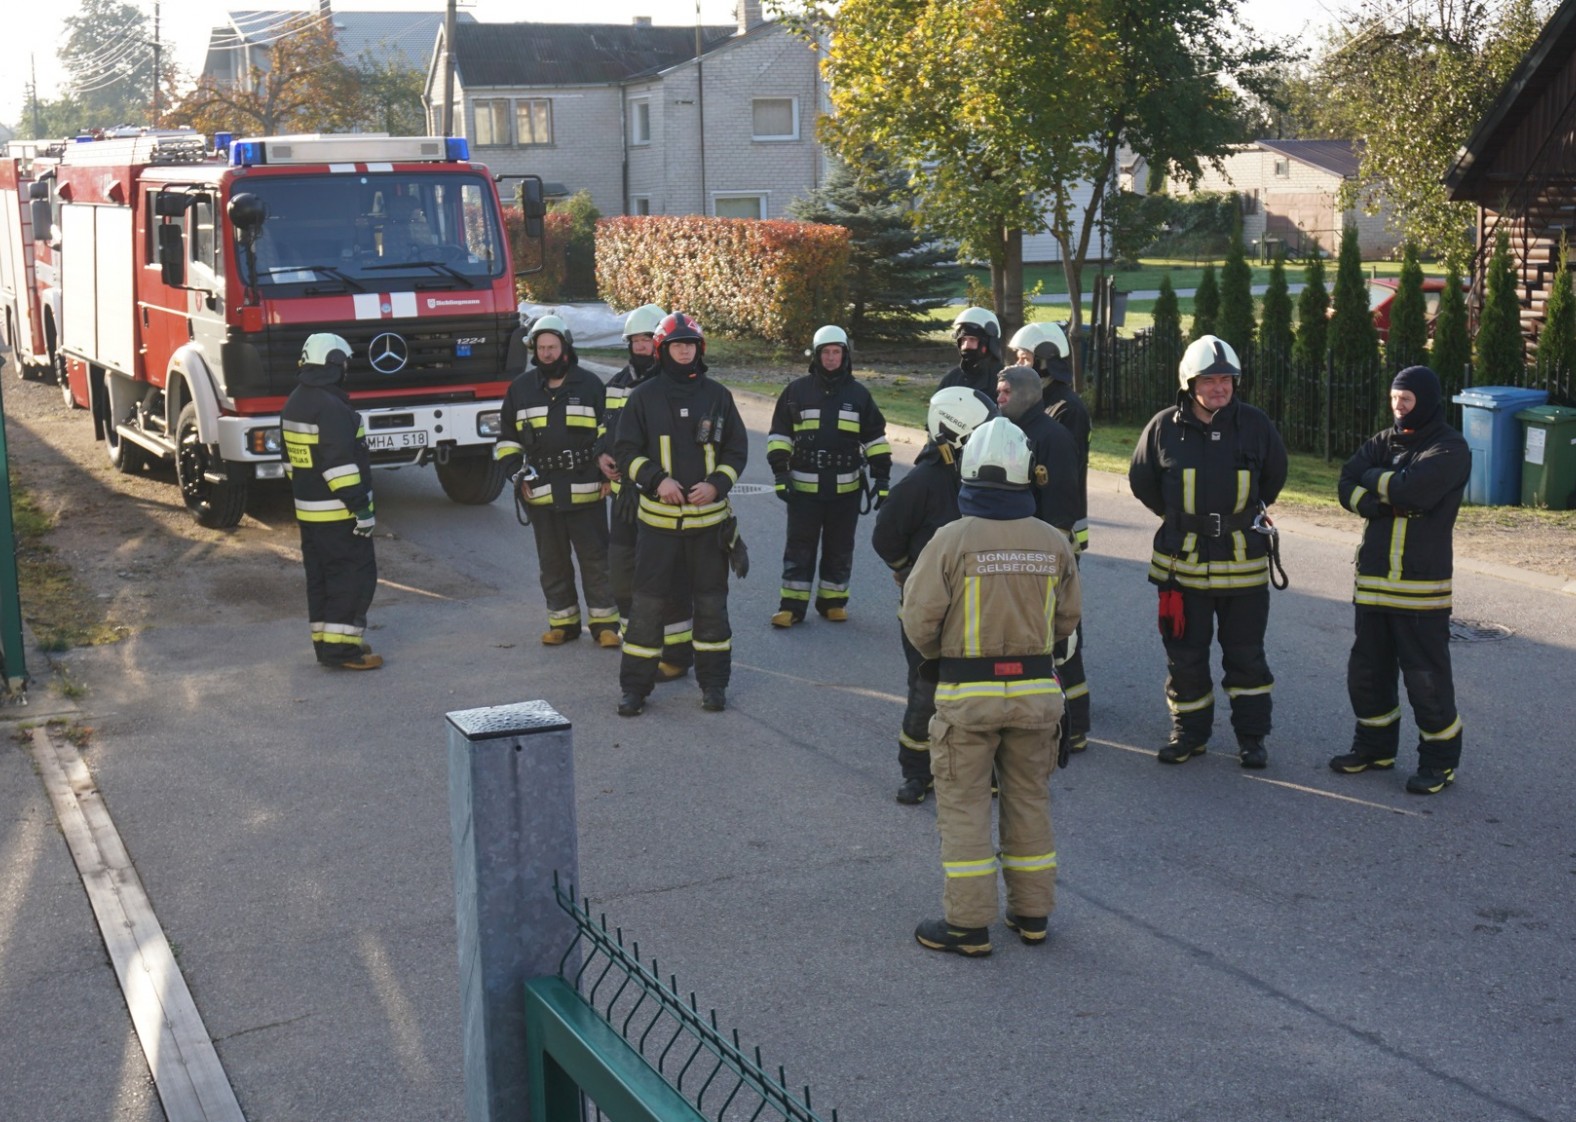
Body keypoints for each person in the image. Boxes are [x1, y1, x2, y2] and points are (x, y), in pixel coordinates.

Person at [902, 417, 1081, 956]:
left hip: (965, 701)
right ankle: (1032, 915)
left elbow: (918, 618)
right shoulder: (1053, 541)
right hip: (1036, 699)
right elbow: (1068, 620)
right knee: (1029, 801)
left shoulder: (951, 540)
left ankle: (968, 926)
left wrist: (945, 658)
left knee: (965, 809)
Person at [1128, 335, 1288, 769]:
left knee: (1246, 657)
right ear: (1189, 383)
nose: (1220, 387)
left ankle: (1252, 739)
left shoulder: (1255, 425)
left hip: (1244, 567)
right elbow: (1142, 481)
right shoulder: (1163, 426)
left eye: (1227, 379)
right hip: (1182, 566)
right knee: (1185, 656)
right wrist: (1183, 518)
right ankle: (1190, 734)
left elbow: (1274, 476)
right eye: (1210, 380)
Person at [1333, 365, 1470, 795]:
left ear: (1426, 401)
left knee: (1425, 681)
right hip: (1372, 582)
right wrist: (1377, 503)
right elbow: (1345, 483)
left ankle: (1439, 763)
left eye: (1406, 399)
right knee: (1367, 673)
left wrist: (1376, 482)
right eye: (1394, 398)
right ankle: (1374, 749)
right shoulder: (1383, 440)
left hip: (1420, 589)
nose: (1398, 407)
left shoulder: (1450, 447)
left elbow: (1413, 491)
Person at [614, 312, 748, 716]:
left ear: (699, 349)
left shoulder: (718, 395)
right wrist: (658, 481)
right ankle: (635, 689)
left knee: (711, 607)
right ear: (663, 349)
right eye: (677, 344)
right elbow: (625, 451)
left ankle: (714, 685)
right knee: (648, 609)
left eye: (691, 344)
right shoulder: (643, 397)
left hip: (708, 529)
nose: (685, 350)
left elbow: (736, 451)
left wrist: (717, 485)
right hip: (657, 529)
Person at [874, 387, 998, 805]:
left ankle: (984, 771)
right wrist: (908, 573)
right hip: (928, 615)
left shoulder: (986, 477)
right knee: (927, 692)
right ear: (956, 432)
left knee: (985, 691)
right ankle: (916, 773)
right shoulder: (922, 482)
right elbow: (885, 537)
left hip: (979, 608)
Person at [494, 314, 619, 647]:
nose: (547, 353)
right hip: (541, 491)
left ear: (566, 347)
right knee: (552, 561)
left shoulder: (591, 386)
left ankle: (605, 624)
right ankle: (562, 622)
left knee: (596, 558)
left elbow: (607, 435)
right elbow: (506, 440)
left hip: (585, 488)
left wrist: (608, 474)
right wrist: (514, 473)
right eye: (541, 348)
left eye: (552, 347)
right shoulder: (520, 390)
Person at [765, 325, 892, 626]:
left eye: (837, 352)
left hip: (845, 491)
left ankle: (832, 601)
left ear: (845, 355)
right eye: (826, 352)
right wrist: (781, 473)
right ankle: (791, 607)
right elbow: (779, 435)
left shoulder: (859, 395)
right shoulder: (796, 391)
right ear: (817, 355)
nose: (832, 358)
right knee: (799, 547)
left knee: (840, 547)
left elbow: (875, 439)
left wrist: (883, 479)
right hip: (803, 489)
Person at [995, 362, 1091, 753]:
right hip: (1015, 554)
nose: (998, 398)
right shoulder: (1008, 432)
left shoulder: (1052, 437)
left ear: (1025, 394)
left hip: (1044, 555)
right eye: (998, 391)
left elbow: (1062, 505)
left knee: (1061, 642)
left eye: (1004, 392)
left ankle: (1076, 726)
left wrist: (1051, 558)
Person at [600, 303, 694, 680]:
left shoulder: (675, 387)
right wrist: (600, 457)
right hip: (624, 497)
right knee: (622, 574)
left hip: (660, 497)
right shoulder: (615, 385)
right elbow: (603, 430)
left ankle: (674, 654)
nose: (640, 346)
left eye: (647, 339)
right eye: (635, 340)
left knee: (668, 578)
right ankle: (636, 642)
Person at [281, 333, 382, 670]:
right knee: (351, 578)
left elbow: (289, 462)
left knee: (321, 579)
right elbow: (339, 467)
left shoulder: (295, 401)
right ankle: (344, 652)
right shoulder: (332, 407)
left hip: (309, 513)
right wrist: (361, 510)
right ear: (335, 364)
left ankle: (327, 646)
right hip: (340, 514)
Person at [1008, 321, 1092, 551]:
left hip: (1059, 530)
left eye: (1024, 358)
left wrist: (1059, 534)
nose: (1017, 365)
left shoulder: (1067, 408)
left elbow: (1061, 478)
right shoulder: (1039, 402)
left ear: (1045, 360)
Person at [938, 307, 1004, 396]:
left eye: (972, 340)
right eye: (963, 340)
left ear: (988, 344)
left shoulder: (1003, 381)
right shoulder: (951, 379)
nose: (965, 346)